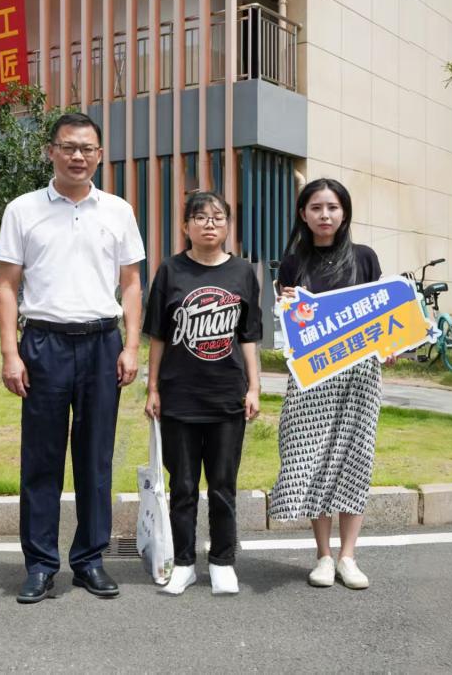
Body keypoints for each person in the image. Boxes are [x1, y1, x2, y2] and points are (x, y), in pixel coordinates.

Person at [0, 112, 145, 604]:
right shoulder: (22, 209)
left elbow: (131, 285)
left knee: (96, 459)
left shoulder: (118, 211)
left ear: (100, 155)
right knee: (41, 460)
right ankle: (40, 564)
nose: (78, 156)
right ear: (51, 152)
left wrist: (130, 345)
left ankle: (90, 560)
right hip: (44, 345)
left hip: (102, 344)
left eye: (87, 148)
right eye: (68, 147)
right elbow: (7, 285)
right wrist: (11, 353)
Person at [268, 178, 387, 590]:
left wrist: (389, 345)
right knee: (312, 459)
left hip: (359, 375)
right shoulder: (292, 263)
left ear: (344, 212)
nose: (325, 215)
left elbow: (381, 314)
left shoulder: (365, 258)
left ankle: (348, 557)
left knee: (355, 459)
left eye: (332, 207)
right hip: (312, 376)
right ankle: (322, 555)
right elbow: (291, 325)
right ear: (303, 214)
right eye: (316, 207)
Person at [142, 191, 262, 596]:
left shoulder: (242, 272)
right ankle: (184, 563)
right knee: (183, 486)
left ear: (228, 225)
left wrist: (254, 388)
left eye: (218, 217)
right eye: (200, 217)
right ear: (185, 226)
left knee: (224, 484)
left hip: (227, 395)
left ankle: (223, 562)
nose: (209, 223)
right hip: (180, 396)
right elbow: (158, 335)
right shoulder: (170, 270)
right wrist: (153, 388)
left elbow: (249, 336)